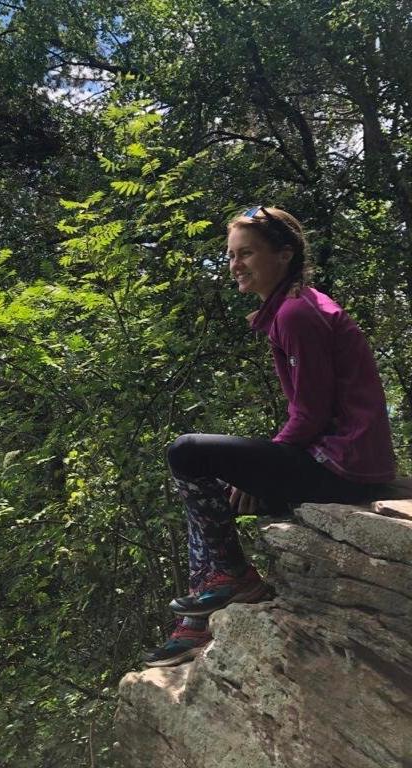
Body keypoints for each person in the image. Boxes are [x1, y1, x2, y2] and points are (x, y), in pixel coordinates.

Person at [142, 205, 397, 667]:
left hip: (343, 467)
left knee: (188, 453)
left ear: (284, 255)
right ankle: (202, 613)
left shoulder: (298, 313)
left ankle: (232, 578)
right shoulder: (295, 306)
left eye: (246, 254)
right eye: (231, 255)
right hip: (341, 462)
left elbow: (310, 414)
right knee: (211, 495)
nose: (236, 264)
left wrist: (264, 470)